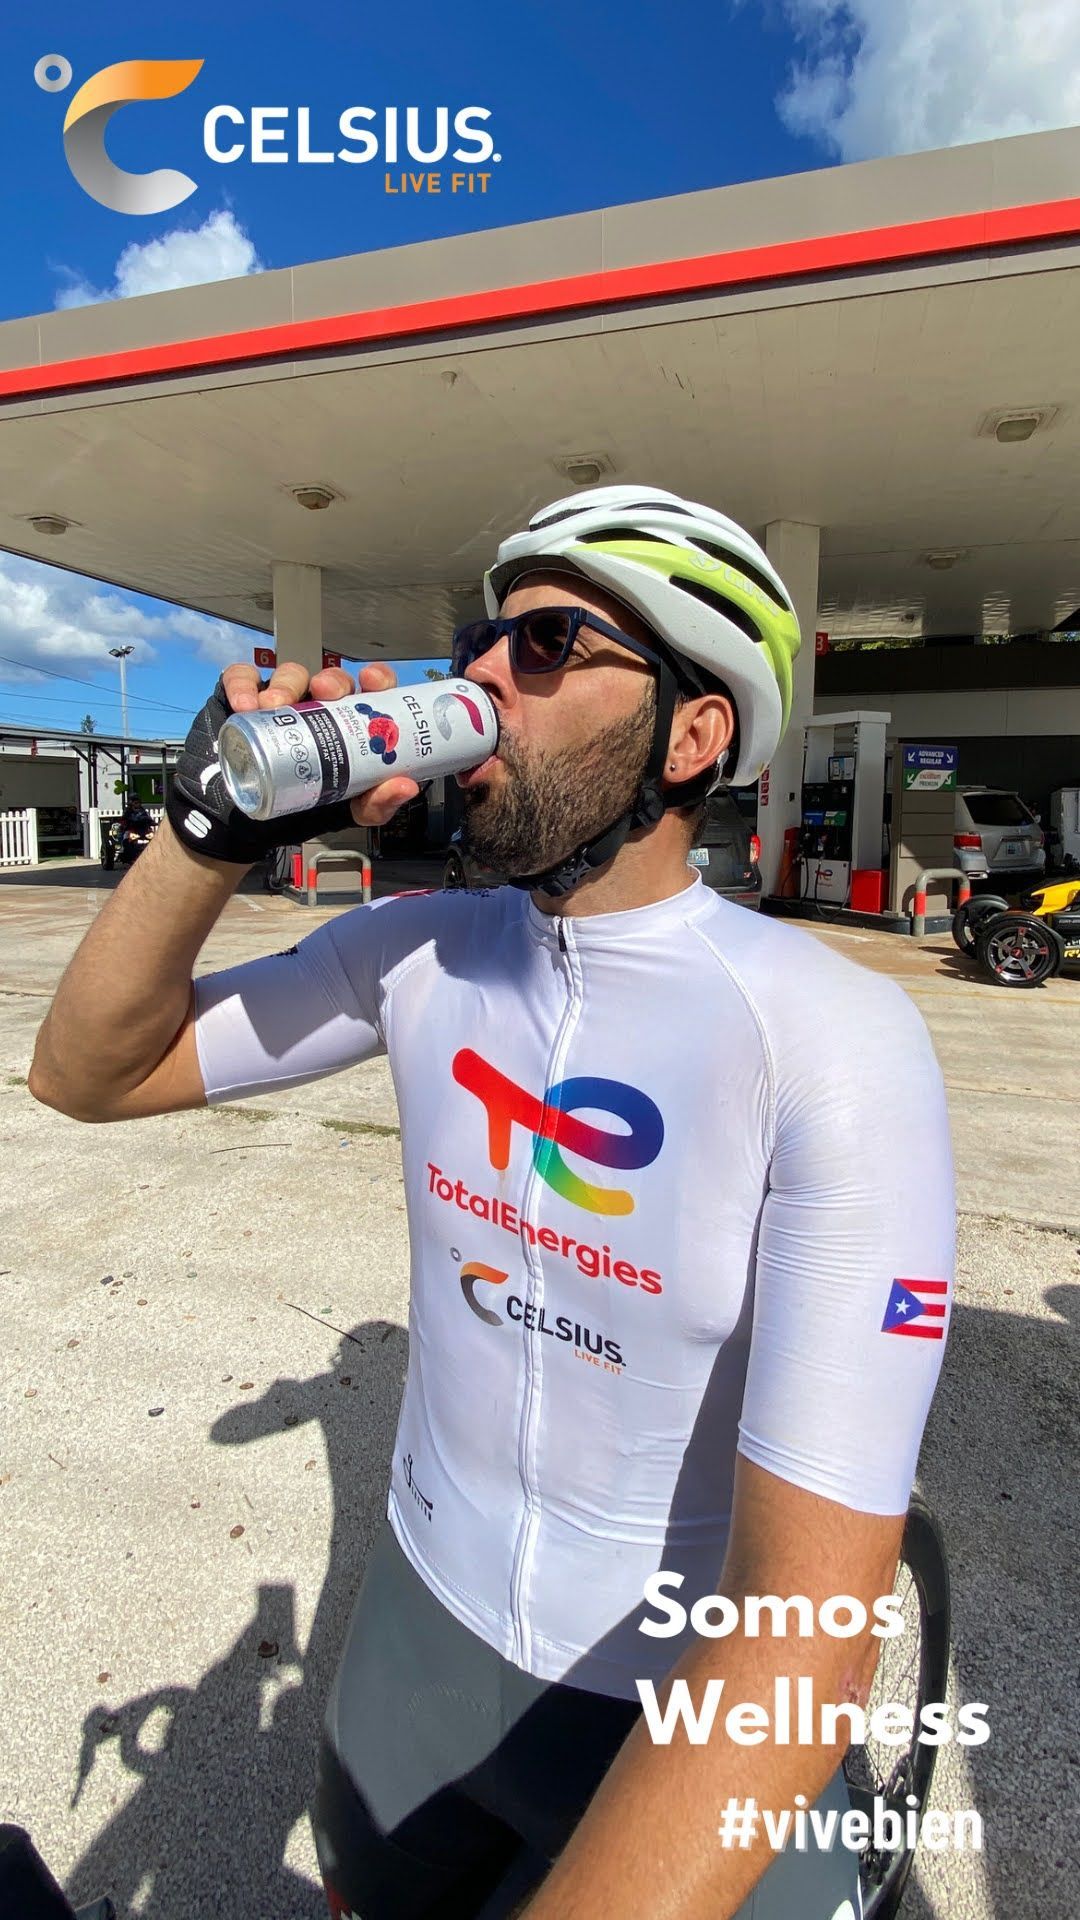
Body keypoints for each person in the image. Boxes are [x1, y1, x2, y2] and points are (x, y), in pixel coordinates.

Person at [30, 485, 955, 1920]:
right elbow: (87, 1072)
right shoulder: (416, 948)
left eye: (545, 644)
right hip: (424, 1637)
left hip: (679, 1696)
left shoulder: (830, 1036)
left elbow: (807, 1621)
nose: (483, 678)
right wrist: (209, 828)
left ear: (692, 737)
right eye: (479, 643)